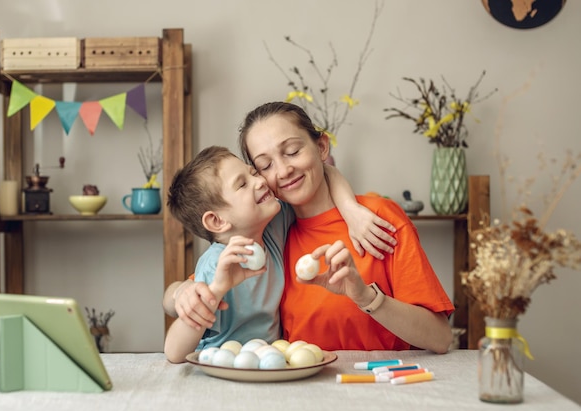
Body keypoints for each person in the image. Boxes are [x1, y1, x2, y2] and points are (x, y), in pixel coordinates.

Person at [166, 102, 453, 354]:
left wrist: (366, 296)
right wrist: (181, 294)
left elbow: (440, 338)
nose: (282, 171)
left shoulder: (376, 220)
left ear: (321, 146)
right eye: (264, 166)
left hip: (384, 384)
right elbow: (191, 291)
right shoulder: (269, 230)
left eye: (292, 151)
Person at [163, 145, 397, 363]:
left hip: (270, 362)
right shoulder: (216, 266)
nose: (260, 181)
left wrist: (350, 208)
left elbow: (325, 172)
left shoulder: (273, 224)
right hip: (223, 363)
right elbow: (174, 353)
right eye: (242, 184)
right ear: (217, 220)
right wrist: (216, 290)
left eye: (253, 172)